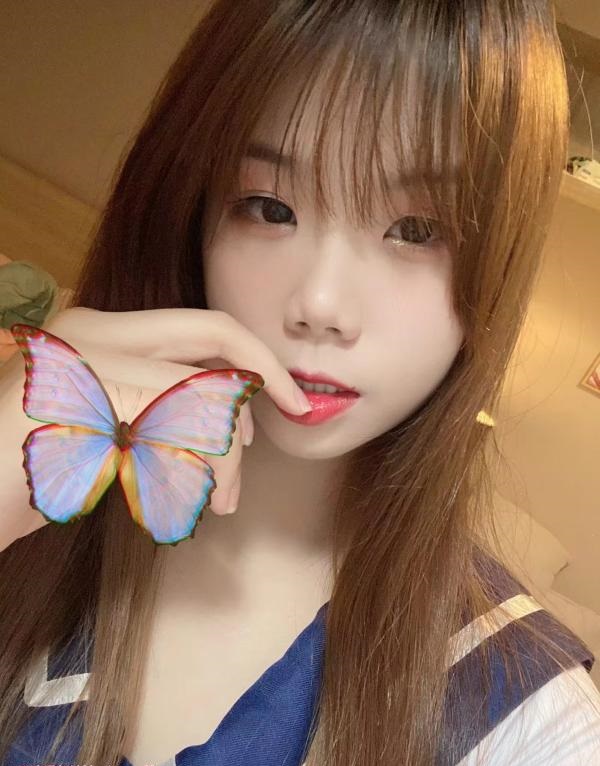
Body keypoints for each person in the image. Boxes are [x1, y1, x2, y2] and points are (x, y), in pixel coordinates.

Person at [0, 0, 599, 764]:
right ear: (191, 217)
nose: (320, 303)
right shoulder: (34, 492)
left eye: (417, 230)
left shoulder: (527, 723)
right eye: (269, 207)